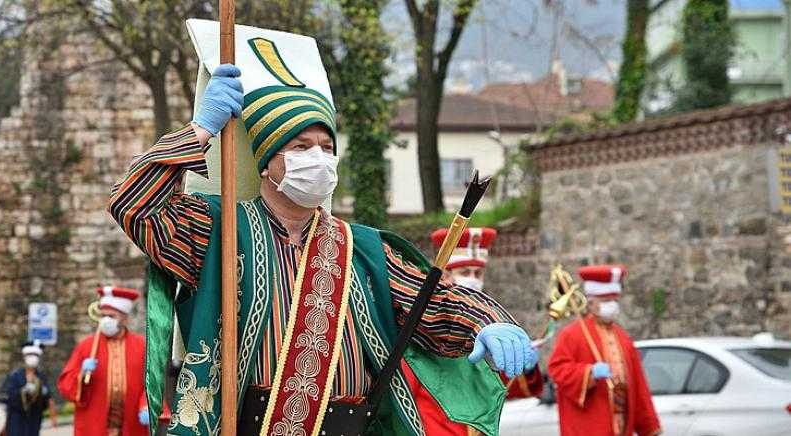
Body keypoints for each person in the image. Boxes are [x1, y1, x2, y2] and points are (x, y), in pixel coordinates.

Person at [109, 60, 537, 435]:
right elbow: (133, 204)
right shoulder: (217, 229)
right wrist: (201, 130)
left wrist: (487, 321)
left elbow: (432, 302)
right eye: (300, 147)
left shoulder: (363, 248)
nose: (318, 158)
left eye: (327, 148)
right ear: (267, 162)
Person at [398, 228, 544, 435]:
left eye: (478, 273)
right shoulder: (423, 319)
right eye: (465, 272)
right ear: (446, 274)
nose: (473, 279)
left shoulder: (490, 321)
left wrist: (523, 368)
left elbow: (499, 388)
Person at [548, 265, 661, 436]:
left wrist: (649, 426)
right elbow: (557, 370)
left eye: (614, 301)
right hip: (588, 424)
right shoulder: (572, 334)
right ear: (591, 303)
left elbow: (638, 386)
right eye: (606, 301)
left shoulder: (623, 338)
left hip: (621, 425)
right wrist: (589, 373)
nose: (612, 306)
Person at [57, 286, 149, 436]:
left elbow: (152, 383)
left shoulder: (142, 346)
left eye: (112, 316)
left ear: (125, 318)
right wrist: (81, 374)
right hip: (94, 425)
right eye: (103, 316)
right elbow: (65, 384)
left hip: (131, 425)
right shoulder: (86, 346)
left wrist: (146, 405)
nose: (106, 320)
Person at [0, 340, 57, 436]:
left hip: (34, 418)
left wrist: (52, 416)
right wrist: (24, 391)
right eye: (30, 355)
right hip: (16, 419)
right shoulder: (15, 376)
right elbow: (5, 396)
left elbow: (48, 398)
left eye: (35, 355)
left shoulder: (41, 376)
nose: (33, 358)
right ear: (24, 357)